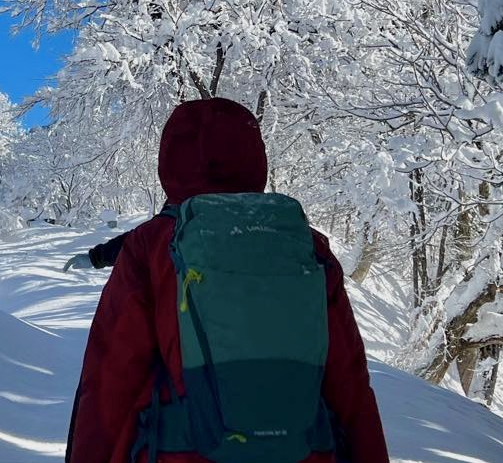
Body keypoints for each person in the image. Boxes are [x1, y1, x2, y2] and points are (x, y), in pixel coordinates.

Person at [67, 98, 387, 463]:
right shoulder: (306, 244)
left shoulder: (151, 245)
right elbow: (351, 387)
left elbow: (109, 380)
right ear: (255, 160)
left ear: (169, 162)